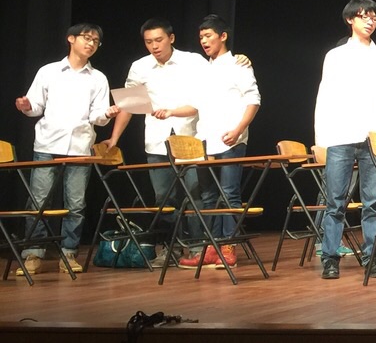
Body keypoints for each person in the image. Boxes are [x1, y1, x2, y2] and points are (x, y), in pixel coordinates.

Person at [104, 18, 220, 256]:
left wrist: (241, 59)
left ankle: (198, 247)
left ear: (171, 38)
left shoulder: (193, 61)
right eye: (149, 42)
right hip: (157, 140)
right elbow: (128, 105)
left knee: (195, 195)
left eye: (158, 40)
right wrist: (114, 138)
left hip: (190, 137)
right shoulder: (140, 67)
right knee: (164, 198)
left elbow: (215, 82)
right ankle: (171, 248)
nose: (154, 46)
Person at [12, 23, 119, 277]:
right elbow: (36, 106)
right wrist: (26, 105)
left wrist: (107, 113)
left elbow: (96, 115)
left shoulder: (98, 78)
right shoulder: (49, 71)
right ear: (71, 39)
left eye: (96, 41)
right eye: (86, 38)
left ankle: (69, 252)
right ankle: (33, 253)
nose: (91, 44)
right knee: (38, 201)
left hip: (80, 146)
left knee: (76, 204)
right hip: (48, 144)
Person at [165, 14, 262, 269]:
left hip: (231, 139)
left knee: (229, 193)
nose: (204, 41)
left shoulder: (239, 65)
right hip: (205, 141)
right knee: (208, 196)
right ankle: (211, 247)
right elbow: (195, 106)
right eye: (201, 37)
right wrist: (171, 111)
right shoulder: (204, 71)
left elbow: (253, 100)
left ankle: (228, 246)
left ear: (223, 36)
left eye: (208, 36)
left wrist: (238, 129)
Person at [313, 0, 376, 280]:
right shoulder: (336, 56)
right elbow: (325, 96)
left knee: (373, 202)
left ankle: (372, 258)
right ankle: (330, 258)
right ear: (350, 19)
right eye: (364, 16)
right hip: (341, 134)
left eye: (374, 17)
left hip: (373, 135)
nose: (370, 21)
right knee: (335, 201)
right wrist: (321, 138)